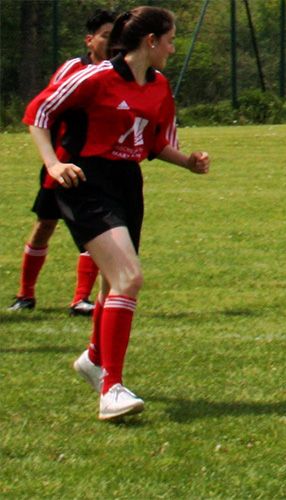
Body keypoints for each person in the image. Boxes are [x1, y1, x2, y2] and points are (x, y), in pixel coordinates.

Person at [23, 6, 212, 420]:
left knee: (114, 285)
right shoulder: (96, 77)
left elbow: (154, 143)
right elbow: (38, 113)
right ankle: (111, 390)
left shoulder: (160, 86)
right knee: (129, 277)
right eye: (170, 40)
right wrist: (53, 164)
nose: (172, 48)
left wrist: (188, 162)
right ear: (151, 41)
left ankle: (94, 358)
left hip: (127, 184)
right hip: (85, 181)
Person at [12, 9, 117, 315]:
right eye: (106, 36)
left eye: (116, 38)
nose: (112, 44)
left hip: (97, 166)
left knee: (93, 232)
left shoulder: (120, 72)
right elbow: (45, 109)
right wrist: (52, 159)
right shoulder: (72, 69)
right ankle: (25, 295)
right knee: (45, 223)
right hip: (61, 160)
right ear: (90, 40)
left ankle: (81, 299)